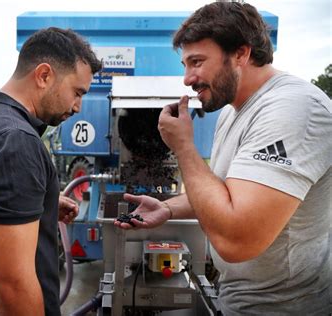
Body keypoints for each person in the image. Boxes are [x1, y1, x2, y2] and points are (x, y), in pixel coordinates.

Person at [115, 2, 331, 315]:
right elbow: (226, 193)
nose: (188, 79)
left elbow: (237, 242)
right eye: (185, 65)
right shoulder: (233, 112)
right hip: (240, 300)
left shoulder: (292, 110)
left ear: (241, 54)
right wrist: (167, 207)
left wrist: (185, 148)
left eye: (197, 62)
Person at [0, 27, 102, 316]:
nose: (78, 107)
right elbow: (12, 284)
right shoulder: (14, 141)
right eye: (77, 92)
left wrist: (41, 202)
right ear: (44, 75)